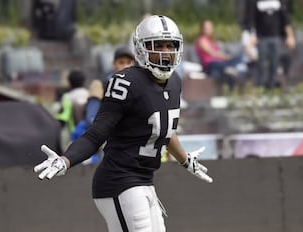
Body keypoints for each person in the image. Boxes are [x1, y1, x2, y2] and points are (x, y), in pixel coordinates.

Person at [33, 15, 213, 232]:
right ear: (141, 49)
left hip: (145, 181)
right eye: (158, 46)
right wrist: (66, 160)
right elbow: (95, 134)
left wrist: (185, 160)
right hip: (119, 181)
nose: (165, 52)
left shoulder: (175, 82)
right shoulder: (126, 83)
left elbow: (163, 130)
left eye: (170, 45)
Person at [243, 0, 296, 89]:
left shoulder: (278, 3)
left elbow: (286, 21)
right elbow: (251, 20)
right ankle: (260, 85)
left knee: (274, 62)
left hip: (275, 37)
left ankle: (272, 85)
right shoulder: (256, 3)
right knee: (261, 63)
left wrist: (290, 36)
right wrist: (252, 35)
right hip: (261, 37)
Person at [195, 19, 247, 92]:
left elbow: (219, 52)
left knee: (239, 57)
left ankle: (231, 69)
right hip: (210, 64)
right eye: (207, 28)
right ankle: (230, 69)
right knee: (218, 67)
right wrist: (225, 57)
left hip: (220, 63)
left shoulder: (212, 40)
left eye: (210, 28)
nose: (209, 30)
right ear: (202, 29)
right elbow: (212, 53)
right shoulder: (201, 40)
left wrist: (228, 57)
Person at [56, 69, 89, 133]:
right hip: (91, 135)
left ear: (69, 82)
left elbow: (63, 118)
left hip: (75, 135)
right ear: (83, 81)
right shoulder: (89, 94)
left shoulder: (68, 97)